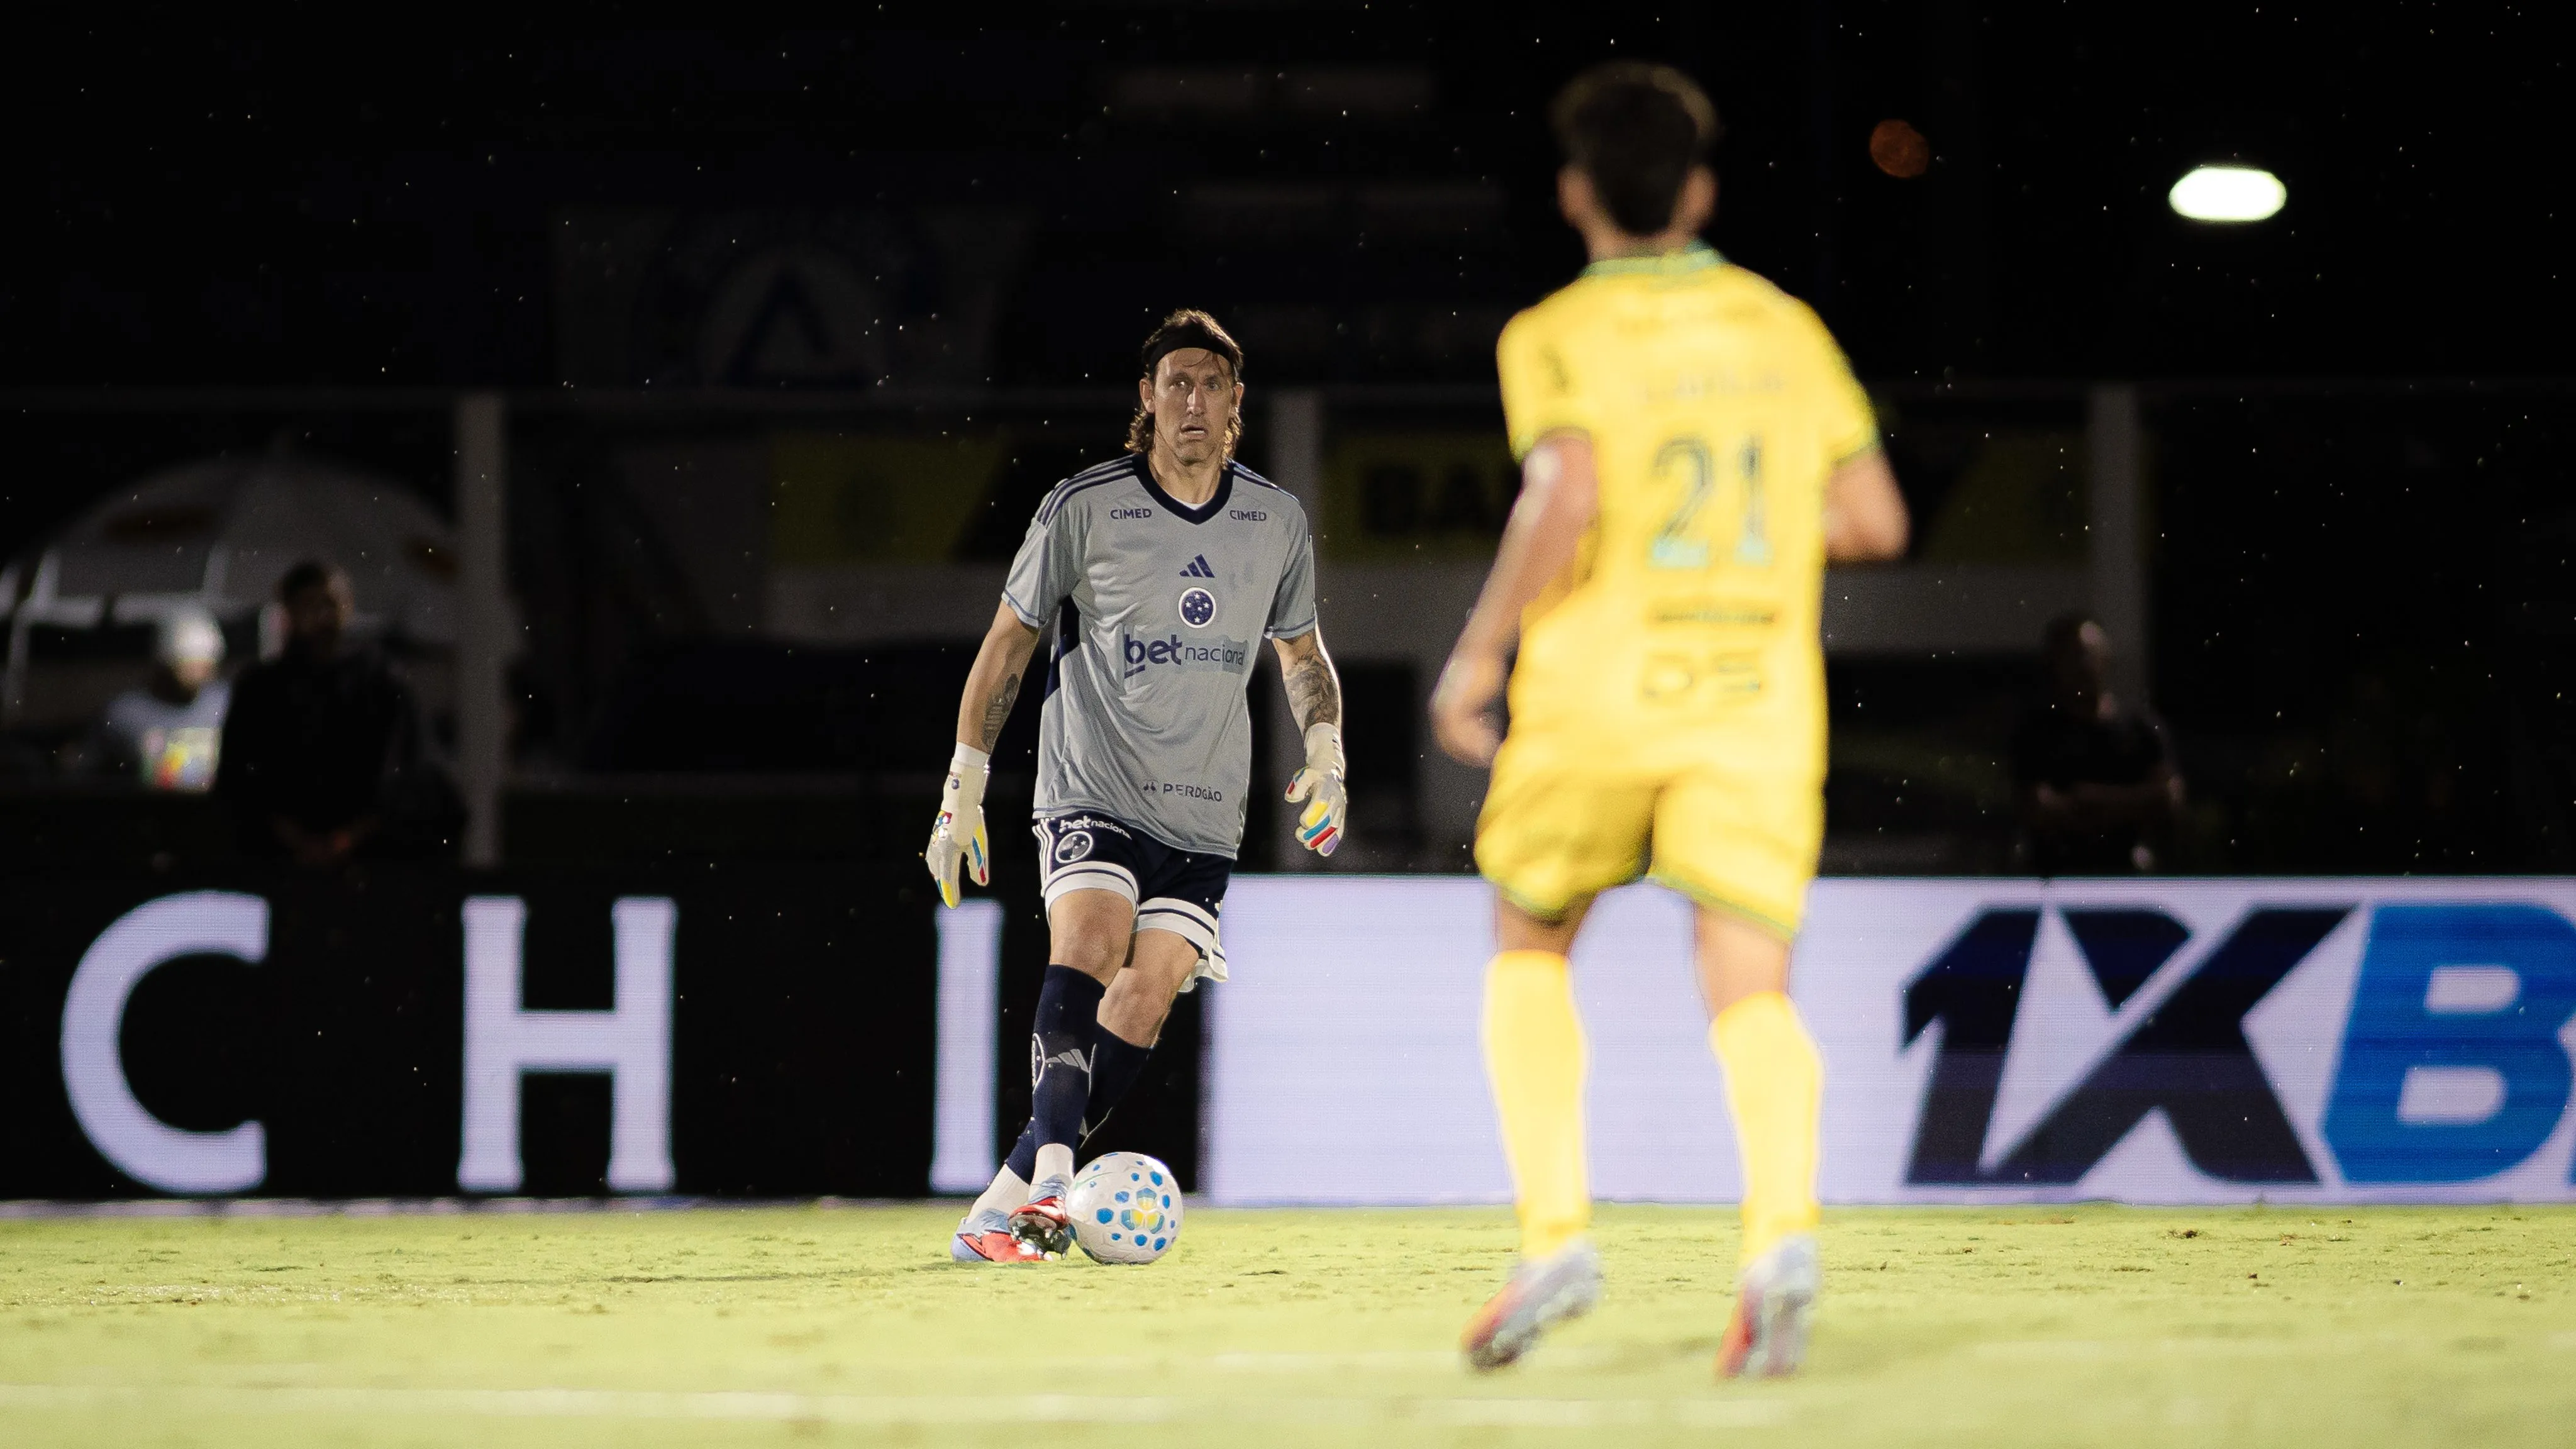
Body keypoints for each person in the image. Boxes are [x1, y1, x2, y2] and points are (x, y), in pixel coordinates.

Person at [1428, 64, 1911, 1378]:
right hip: (1753, 701)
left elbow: (1566, 490)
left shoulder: (1552, 332)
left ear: (1575, 192)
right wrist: (1742, 560)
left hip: (1596, 691)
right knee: (1748, 984)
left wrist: (1477, 655)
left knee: (1527, 939)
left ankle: (1553, 1236)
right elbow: (1871, 522)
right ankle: (1777, 1237)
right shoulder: (1785, 327)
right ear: (1698, 188)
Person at [926, 309, 1348, 1264]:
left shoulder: (1273, 520)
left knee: (1149, 996)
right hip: (1091, 785)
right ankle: (1056, 1181)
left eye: (1210, 384)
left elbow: (1302, 651)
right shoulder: (1083, 507)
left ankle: (1007, 1195)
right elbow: (1009, 645)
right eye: (1175, 384)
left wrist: (1327, 746)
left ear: (1237, 403)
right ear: (1146, 400)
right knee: (1092, 939)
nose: (1192, 400)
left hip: (1204, 811)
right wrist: (965, 783)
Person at [214, 560, 438, 867]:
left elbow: (409, 775)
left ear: (348, 605)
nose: (323, 616)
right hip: (276, 861)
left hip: (372, 861)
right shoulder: (262, 688)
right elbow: (239, 779)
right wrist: (295, 839)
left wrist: (348, 838)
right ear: (288, 611)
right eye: (309, 605)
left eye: (331, 604)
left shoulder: (383, 683)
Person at [2012, 613, 2184, 874]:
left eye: (2089, 654)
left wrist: (2089, 801)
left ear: (2106, 658)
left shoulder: (2141, 729)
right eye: (2072, 656)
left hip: (2127, 875)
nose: (2083, 666)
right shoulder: (2037, 734)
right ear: (2054, 664)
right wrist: (2130, 807)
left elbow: (2168, 798)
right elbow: (2037, 807)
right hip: (2057, 876)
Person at [94, 608, 231, 792]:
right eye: (188, 667)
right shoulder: (124, 713)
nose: (199, 675)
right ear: (164, 665)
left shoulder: (226, 704)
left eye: (206, 667)